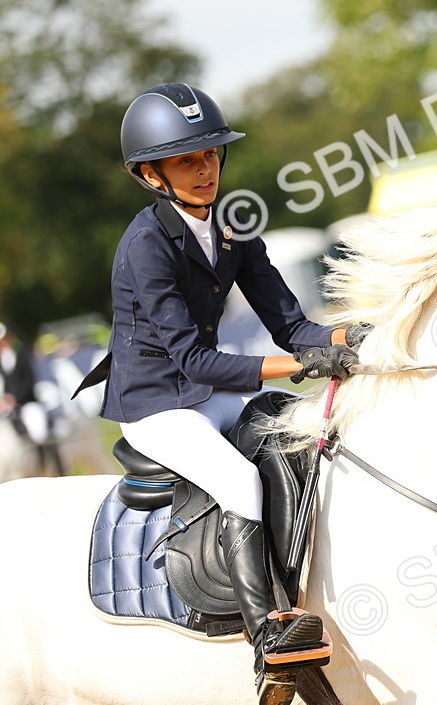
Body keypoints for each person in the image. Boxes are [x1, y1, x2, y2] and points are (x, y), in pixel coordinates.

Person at [75, 83, 372, 695]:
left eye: (210, 155)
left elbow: (293, 326)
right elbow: (193, 359)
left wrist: (355, 333)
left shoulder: (232, 224)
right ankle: (267, 634)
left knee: (307, 430)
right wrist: (297, 366)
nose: (205, 169)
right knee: (238, 479)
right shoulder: (144, 246)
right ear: (151, 174)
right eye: (187, 159)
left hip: (207, 390)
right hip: (158, 405)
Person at [0, 322, 60, 474]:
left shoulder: (23, 354)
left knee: (38, 431)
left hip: (28, 402)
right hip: (10, 406)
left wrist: (13, 397)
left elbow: (28, 381)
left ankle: (46, 461)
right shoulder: (3, 358)